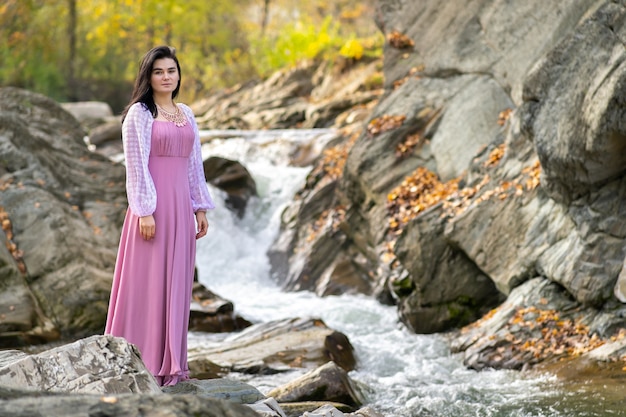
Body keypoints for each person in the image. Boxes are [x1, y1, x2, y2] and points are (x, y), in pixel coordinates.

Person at [105, 45, 215, 386]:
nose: (166, 77)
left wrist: (199, 206)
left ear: (178, 74)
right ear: (148, 77)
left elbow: (195, 165)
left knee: (177, 285)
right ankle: (143, 359)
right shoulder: (140, 114)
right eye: (159, 71)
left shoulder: (187, 113)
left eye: (171, 71)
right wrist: (144, 211)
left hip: (181, 210)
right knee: (148, 284)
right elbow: (136, 166)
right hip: (152, 212)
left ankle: (172, 365)